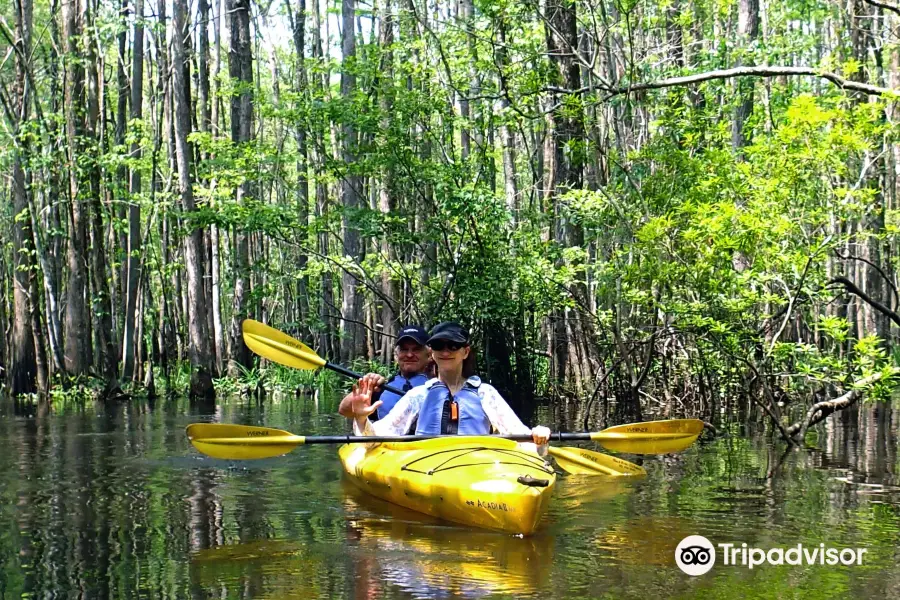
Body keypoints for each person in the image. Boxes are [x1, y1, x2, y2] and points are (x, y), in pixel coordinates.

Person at [343, 322, 551, 452]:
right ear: (432, 352)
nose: (445, 351)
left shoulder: (485, 393)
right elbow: (374, 440)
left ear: (465, 351)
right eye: (439, 346)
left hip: (478, 465)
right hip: (427, 466)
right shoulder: (419, 395)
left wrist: (539, 438)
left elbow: (522, 437)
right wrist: (361, 418)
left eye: (453, 346)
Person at [338, 325, 433, 421]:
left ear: (429, 355)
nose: (409, 355)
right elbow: (344, 410)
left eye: (416, 349)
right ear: (396, 356)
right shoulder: (382, 388)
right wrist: (367, 387)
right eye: (404, 349)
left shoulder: (439, 386)